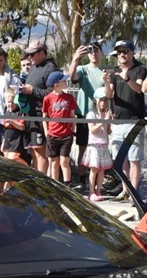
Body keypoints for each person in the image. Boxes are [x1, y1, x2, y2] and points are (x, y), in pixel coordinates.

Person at [104, 39, 147, 195]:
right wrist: (106, 82)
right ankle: (125, 190)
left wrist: (127, 78)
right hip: (118, 121)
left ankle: (134, 192)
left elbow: (139, 89)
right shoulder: (115, 71)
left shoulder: (140, 69)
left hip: (134, 120)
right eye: (119, 52)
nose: (122, 55)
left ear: (132, 52)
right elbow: (109, 94)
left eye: (125, 51)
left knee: (134, 158)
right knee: (121, 159)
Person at [67, 42, 106, 189]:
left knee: (100, 148)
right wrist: (75, 59)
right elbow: (72, 77)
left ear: (101, 52)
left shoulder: (105, 71)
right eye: (90, 51)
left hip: (100, 116)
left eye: (96, 51)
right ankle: (82, 179)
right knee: (83, 147)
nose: (93, 54)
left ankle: (97, 181)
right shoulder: (83, 69)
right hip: (84, 114)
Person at [18, 41, 57, 173]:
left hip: (40, 116)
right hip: (30, 115)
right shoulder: (34, 67)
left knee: (40, 152)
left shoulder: (50, 68)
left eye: (32, 54)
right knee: (34, 150)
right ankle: (37, 178)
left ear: (42, 53)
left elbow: (52, 93)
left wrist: (32, 91)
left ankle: (42, 180)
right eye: (29, 54)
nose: (30, 57)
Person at [41, 70, 78, 185]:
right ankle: (55, 185)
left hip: (66, 134)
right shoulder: (47, 98)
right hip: (52, 134)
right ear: (56, 84)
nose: (66, 81)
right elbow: (45, 117)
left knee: (64, 161)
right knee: (53, 162)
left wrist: (73, 130)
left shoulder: (69, 97)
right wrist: (46, 132)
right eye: (63, 80)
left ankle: (67, 185)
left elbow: (72, 116)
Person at [82, 90, 114, 201]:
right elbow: (92, 129)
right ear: (95, 101)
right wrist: (103, 121)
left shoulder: (106, 114)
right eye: (101, 100)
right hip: (94, 145)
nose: (103, 103)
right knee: (94, 168)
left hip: (104, 144)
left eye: (105, 100)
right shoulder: (91, 114)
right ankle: (91, 192)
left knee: (102, 170)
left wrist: (110, 123)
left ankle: (98, 191)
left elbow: (108, 131)